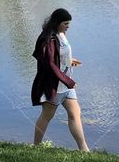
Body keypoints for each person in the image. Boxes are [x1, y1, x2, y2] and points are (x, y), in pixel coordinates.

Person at [31, 8, 89, 151]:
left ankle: (84, 150)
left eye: (69, 23)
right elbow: (50, 64)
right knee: (47, 116)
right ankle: (36, 146)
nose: (68, 26)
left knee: (75, 113)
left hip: (66, 85)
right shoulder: (49, 39)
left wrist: (69, 61)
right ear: (57, 22)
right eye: (65, 23)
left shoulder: (61, 34)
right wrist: (68, 81)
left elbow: (60, 55)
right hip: (55, 85)